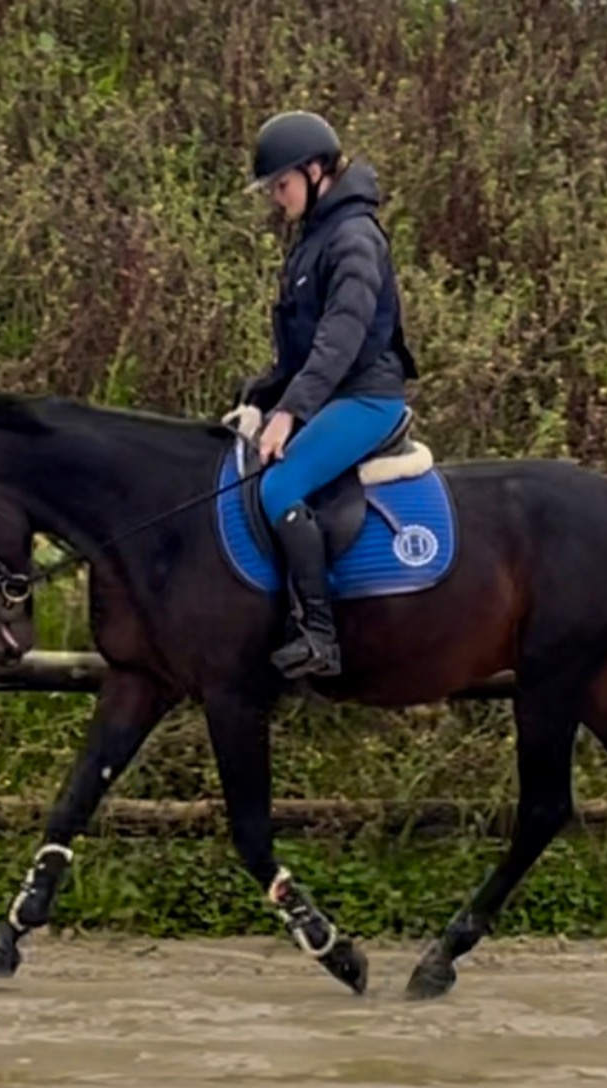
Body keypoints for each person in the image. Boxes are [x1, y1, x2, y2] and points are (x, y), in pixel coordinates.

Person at [224, 110, 418, 679]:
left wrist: (288, 413)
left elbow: (340, 338)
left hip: (366, 397)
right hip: (331, 392)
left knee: (281, 483)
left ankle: (318, 635)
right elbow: (300, 349)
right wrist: (259, 395)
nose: (277, 199)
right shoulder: (316, 237)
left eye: (280, 186)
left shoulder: (354, 237)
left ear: (314, 172)